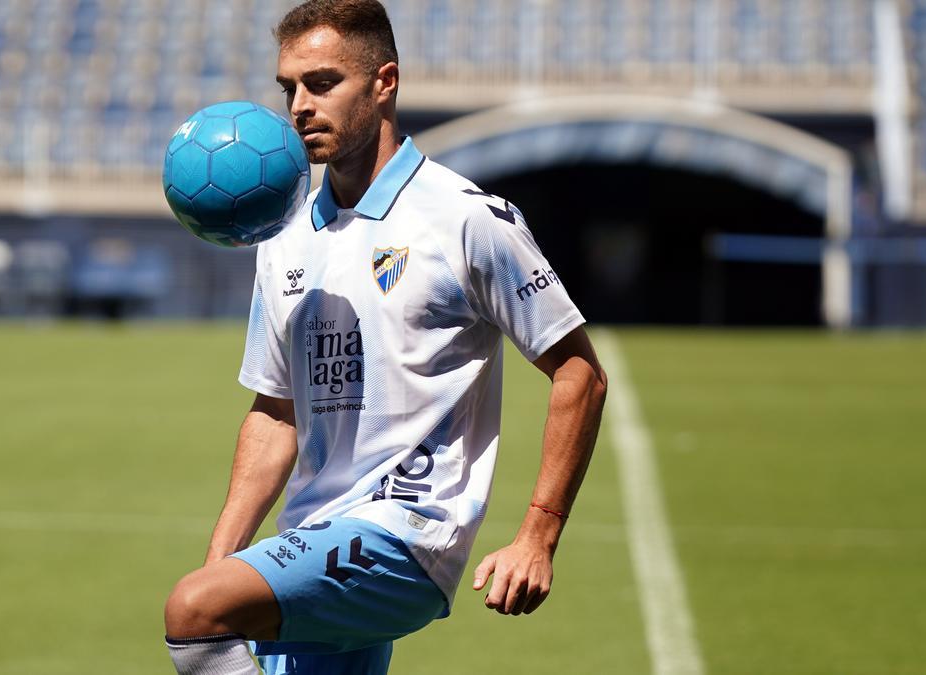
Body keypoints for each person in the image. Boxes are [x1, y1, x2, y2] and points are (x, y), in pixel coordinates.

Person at [164, 1, 607, 672]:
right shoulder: (281, 236)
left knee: (193, 612)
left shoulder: (466, 219)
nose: (300, 106)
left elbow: (580, 373)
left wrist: (536, 536)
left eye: (322, 82)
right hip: (316, 535)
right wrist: (222, 560)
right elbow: (275, 410)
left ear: (384, 83)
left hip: (407, 535)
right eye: (289, 88)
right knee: (210, 594)